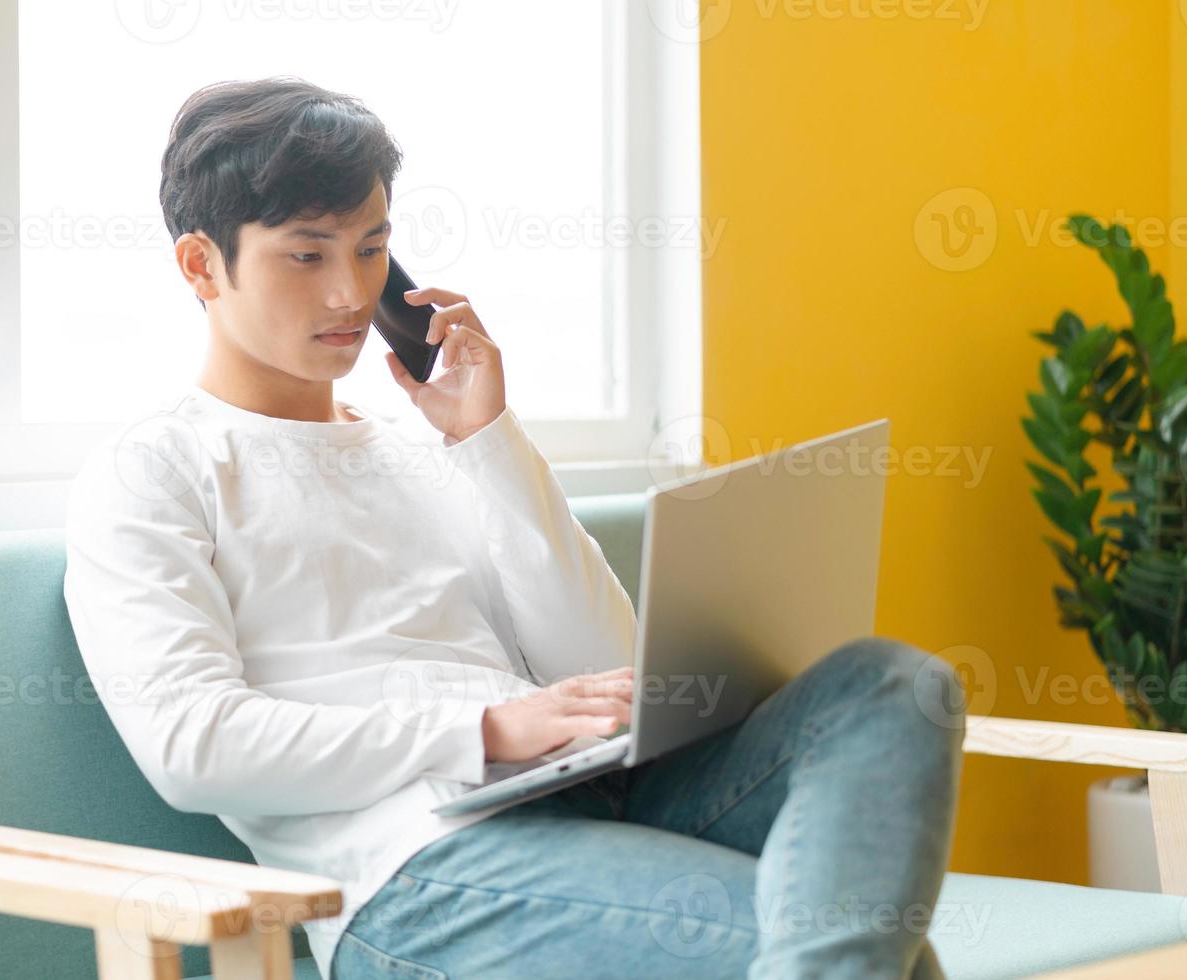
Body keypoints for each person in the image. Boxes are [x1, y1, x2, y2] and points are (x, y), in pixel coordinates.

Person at [61, 75, 967, 980]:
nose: (349, 292)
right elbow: (194, 746)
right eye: (307, 256)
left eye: (373, 247)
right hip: (419, 876)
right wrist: (484, 729)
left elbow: (605, 662)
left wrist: (488, 441)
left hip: (594, 797)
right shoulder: (154, 472)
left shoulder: (434, 453)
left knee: (890, 685)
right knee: (886, 956)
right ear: (200, 266)